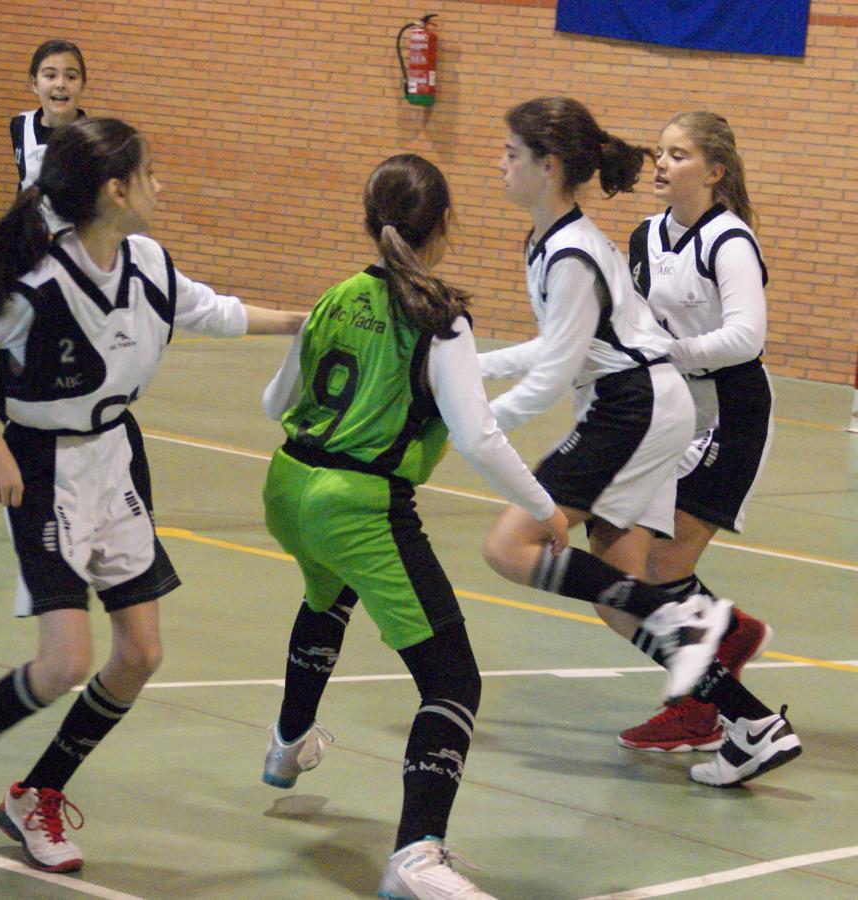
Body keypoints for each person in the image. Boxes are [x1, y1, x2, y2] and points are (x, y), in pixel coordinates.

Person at [256, 154, 717, 900]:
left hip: (287, 488)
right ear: (446, 225)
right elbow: (476, 438)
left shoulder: (336, 297)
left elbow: (274, 402)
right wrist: (541, 505)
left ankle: (285, 745)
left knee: (326, 597)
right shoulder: (440, 315)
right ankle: (416, 857)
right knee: (453, 681)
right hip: (360, 503)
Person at [0, 117, 305, 873]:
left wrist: (301, 323)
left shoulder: (145, 260)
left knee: (140, 654)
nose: (161, 185)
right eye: (150, 173)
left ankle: (35, 793)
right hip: (41, 468)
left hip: (115, 458)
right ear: (115, 190)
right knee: (62, 664)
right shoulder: (36, 283)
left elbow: (210, 309)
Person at [618, 111, 802, 786]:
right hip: (675, 412)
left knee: (656, 569)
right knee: (641, 568)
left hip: (730, 415)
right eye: (659, 152)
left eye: (679, 154)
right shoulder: (645, 236)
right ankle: (721, 651)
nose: (662, 164)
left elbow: (745, 338)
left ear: (714, 171)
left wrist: (670, 351)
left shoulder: (728, 240)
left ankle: (709, 703)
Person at [0, 39, 88, 416]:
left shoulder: (91, 138)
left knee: (55, 328)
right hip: (27, 240)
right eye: (50, 75)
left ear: (81, 85)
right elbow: (25, 183)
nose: (60, 84)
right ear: (33, 83)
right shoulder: (19, 125)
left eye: (71, 77)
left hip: (70, 249)